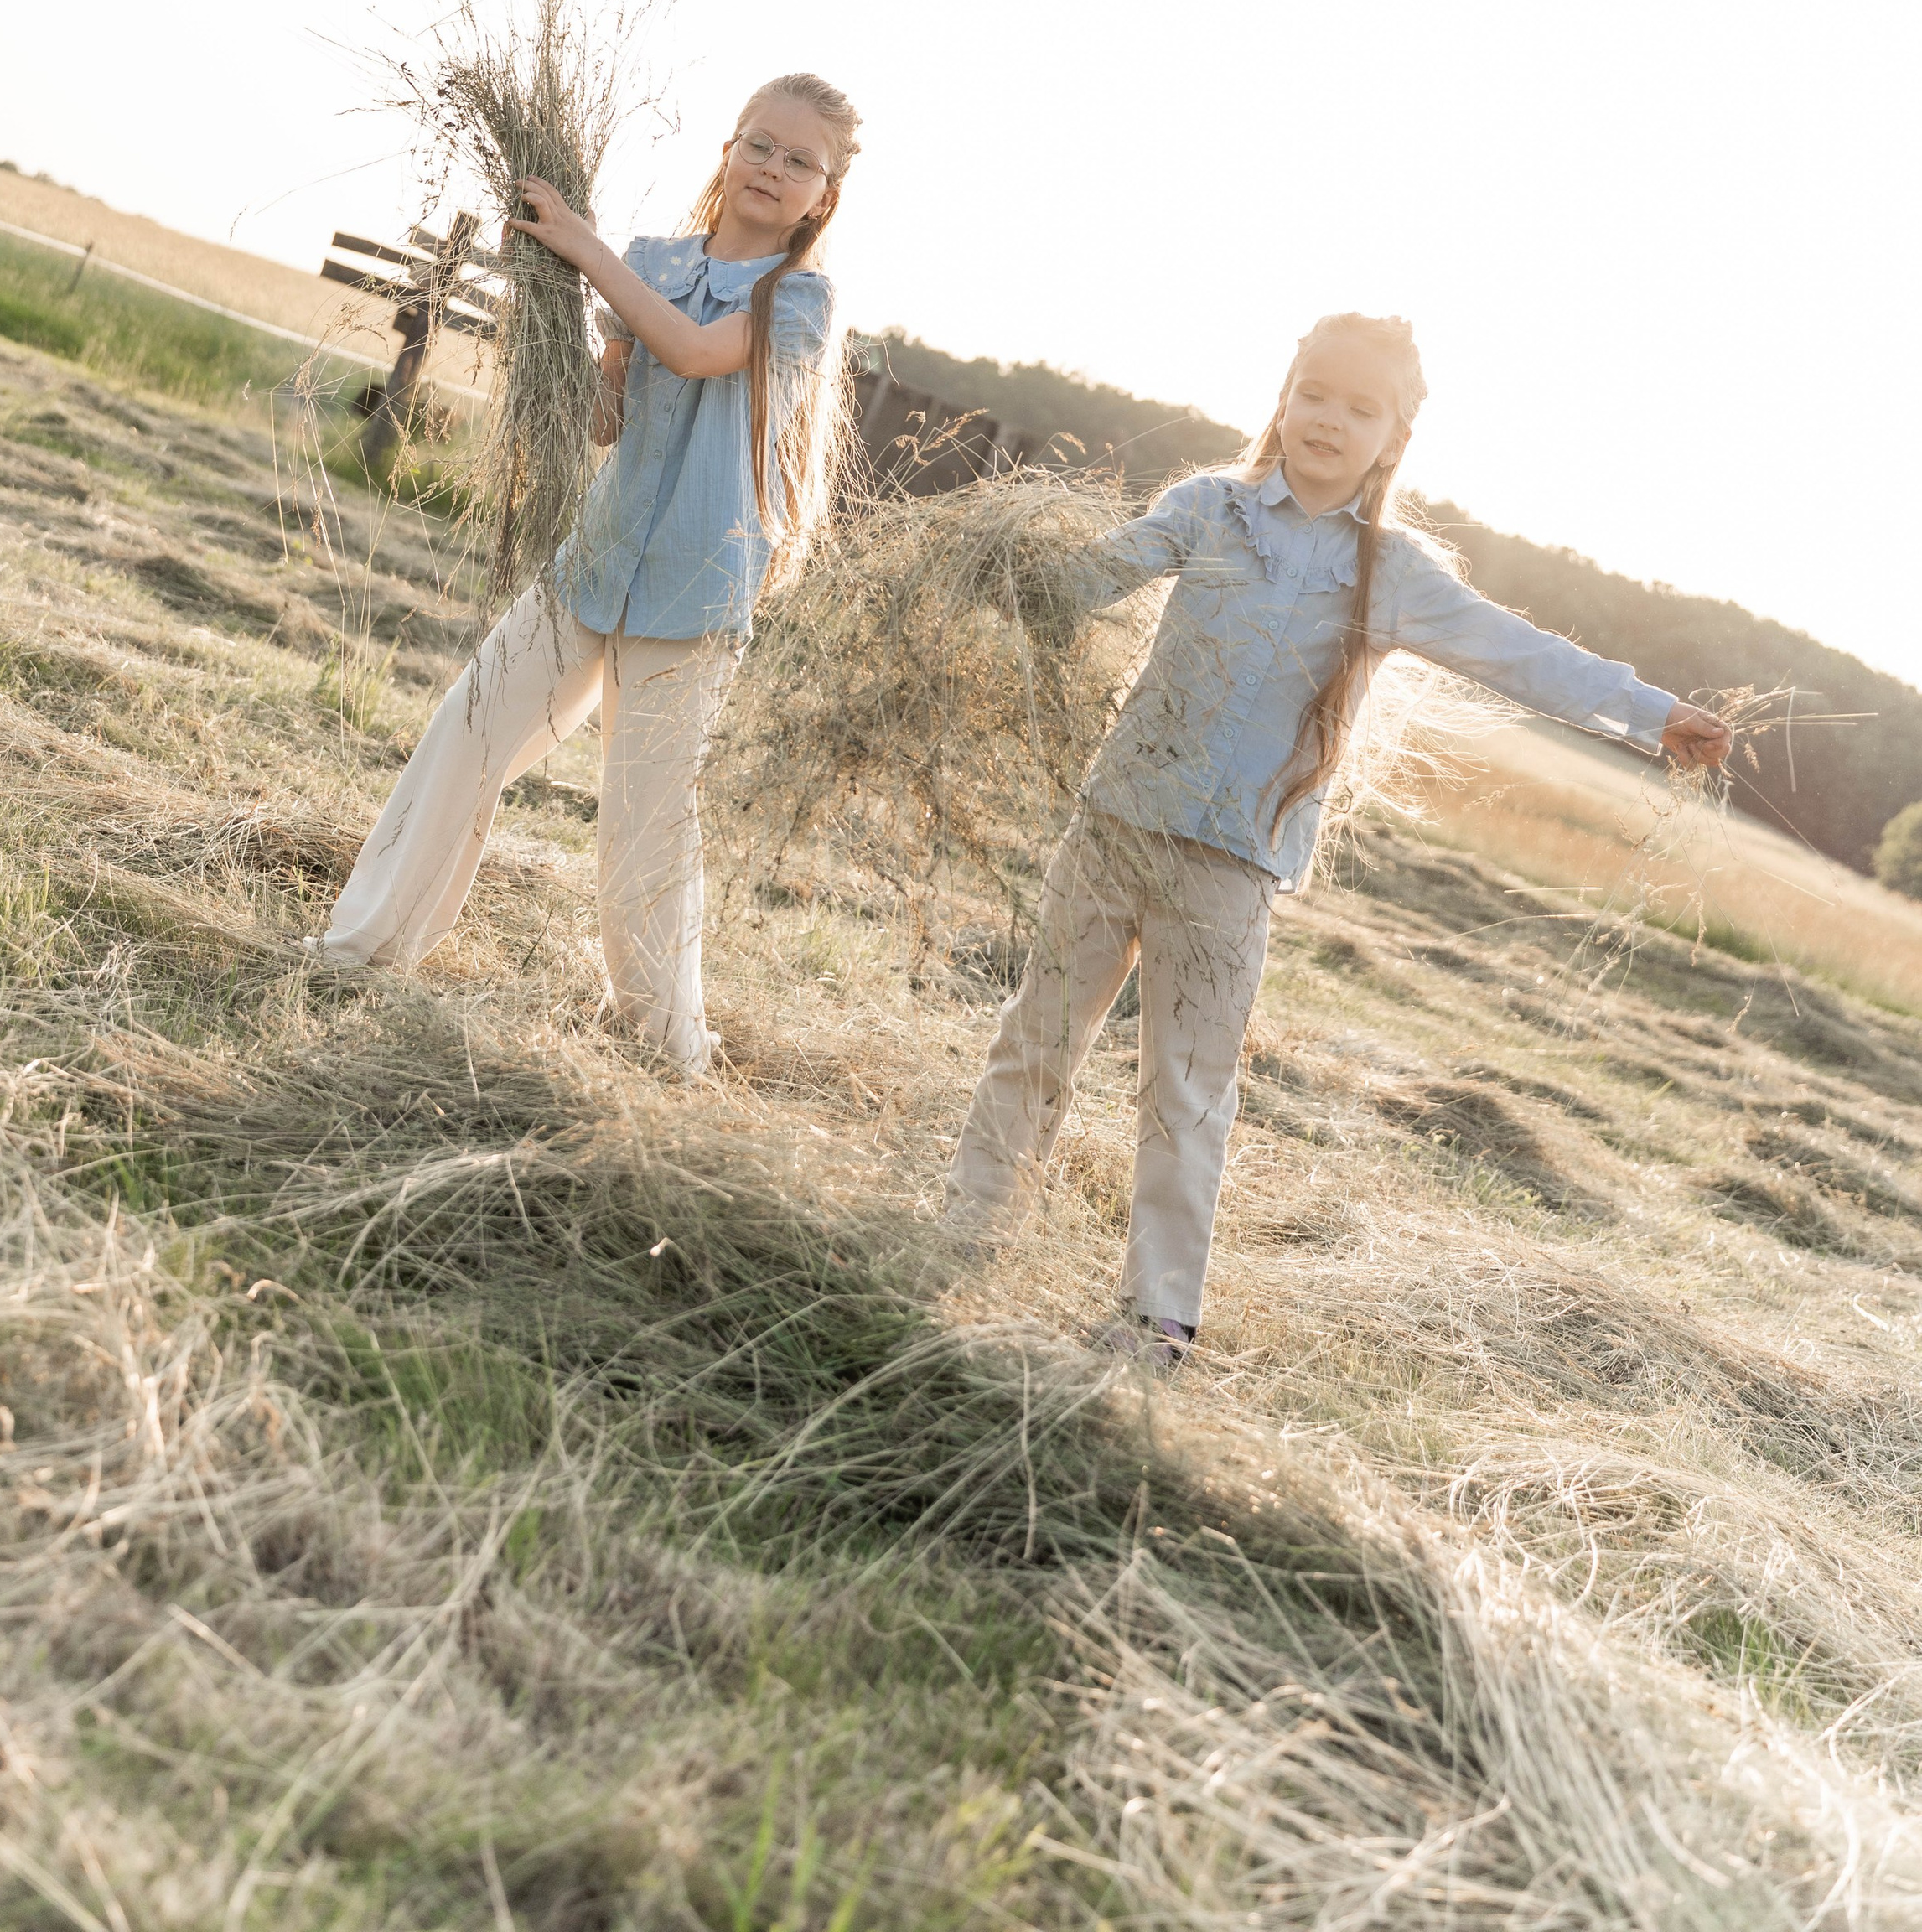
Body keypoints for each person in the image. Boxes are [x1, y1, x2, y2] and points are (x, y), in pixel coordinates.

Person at [945, 312, 1733, 1366]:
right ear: (1283, 395)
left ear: (1393, 438)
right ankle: (968, 1230)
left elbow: (1518, 653)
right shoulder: (1208, 507)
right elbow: (1091, 579)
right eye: (1315, 392)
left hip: (1232, 864)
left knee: (1185, 1091)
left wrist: (1648, 713)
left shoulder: (1388, 574)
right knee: (1035, 1037)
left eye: (1361, 408)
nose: (1329, 418)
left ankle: (1157, 1319)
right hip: (1117, 823)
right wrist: (998, 572)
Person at [316, 74, 859, 1071]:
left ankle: (664, 1049)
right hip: (591, 564)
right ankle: (358, 953)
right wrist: (558, 326)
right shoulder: (650, 261)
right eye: (759, 146)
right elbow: (608, 418)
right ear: (728, 152)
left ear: (824, 195)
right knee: (461, 744)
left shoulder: (800, 299)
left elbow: (695, 353)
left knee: (647, 830)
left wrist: (582, 248)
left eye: (799, 162)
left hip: (694, 596)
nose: (773, 171)